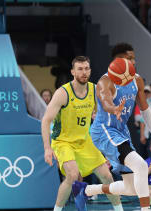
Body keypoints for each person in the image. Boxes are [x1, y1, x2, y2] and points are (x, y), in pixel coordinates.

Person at [72, 43, 151, 211]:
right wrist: (114, 109)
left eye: (134, 58)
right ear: (118, 61)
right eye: (129, 58)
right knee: (141, 166)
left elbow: (146, 111)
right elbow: (105, 102)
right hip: (104, 130)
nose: (133, 61)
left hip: (121, 132)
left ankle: (86, 190)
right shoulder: (105, 82)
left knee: (132, 188)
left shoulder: (137, 80)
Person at [41, 56, 123, 211]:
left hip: (85, 141)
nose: (84, 72)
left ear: (90, 70)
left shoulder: (94, 90)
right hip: (63, 142)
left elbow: (100, 119)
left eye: (86, 68)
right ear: (73, 72)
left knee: (107, 176)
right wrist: (47, 148)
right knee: (72, 175)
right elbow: (46, 120)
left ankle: (119, 209)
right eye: (80, 69)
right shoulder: (62, 93)